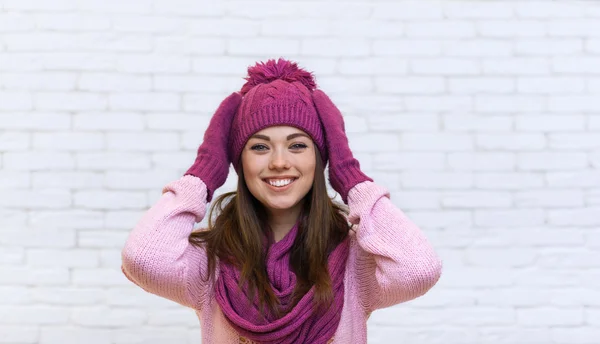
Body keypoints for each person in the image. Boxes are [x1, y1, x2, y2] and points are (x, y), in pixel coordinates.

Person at [121, 58, 442, 344]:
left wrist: (350, 176)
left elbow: (418, 270)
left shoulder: (354, 262)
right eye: (259, 147)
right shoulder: (212, 264)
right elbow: (144, 261)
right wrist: (204, 173)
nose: (278, 162)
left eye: (298, 146)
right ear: (237, 161)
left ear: (321, 157)